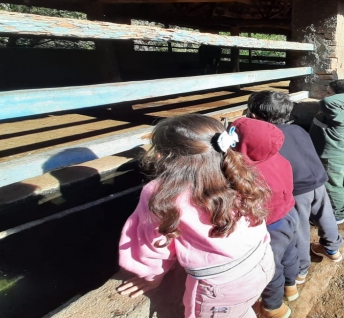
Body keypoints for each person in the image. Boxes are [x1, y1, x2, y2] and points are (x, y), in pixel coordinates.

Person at [117, 114, 273, 318]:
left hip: (219, 287)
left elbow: (152, 242)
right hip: (262, 260)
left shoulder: (160, 192)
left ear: (165, 157)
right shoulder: (236, 171)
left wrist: (151, 276)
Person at [245, 91, 344, 287]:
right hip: (317, 179)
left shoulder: (266, 139)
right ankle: (333, 249)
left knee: (299, 229)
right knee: (325, 215)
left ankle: (301, 269)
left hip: (297, 189)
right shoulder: (298, 129)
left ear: (254, 116)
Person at [229, 117, 297, 318]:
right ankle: (291, 287)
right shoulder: (279, 159)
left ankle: (273, 307)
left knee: (270, 265)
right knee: (289, 254)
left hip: (269, 226)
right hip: (289, 215)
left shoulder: (244, 173)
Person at [308, 80, 344, 224]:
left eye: (329, 92)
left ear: (341, 97)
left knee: (333, 185)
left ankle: (337, 214)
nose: (324, 95)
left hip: (332, 156)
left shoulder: (340, 113)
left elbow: (327, 102)